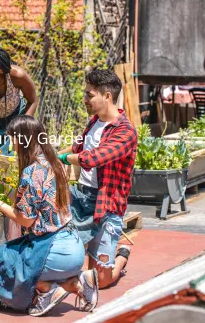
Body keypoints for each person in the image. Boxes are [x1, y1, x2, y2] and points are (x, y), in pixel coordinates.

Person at [0, 115, 99, 317]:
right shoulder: (54, 164)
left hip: (54, 251)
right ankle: (76, 282)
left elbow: (25, 219)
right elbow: (40, 201)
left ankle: (46, 289)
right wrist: (5, 189)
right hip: (74, 246)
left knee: (1, 262)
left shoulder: (31, 172)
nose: (11, 144)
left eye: (13, 138)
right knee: (16, 255)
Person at [57, 69, 137, 290]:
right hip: (82, 198)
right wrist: (51, 157)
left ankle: (122, 255)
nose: (85, 100)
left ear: (107, 96)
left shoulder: (126, 131)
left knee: (100, 281)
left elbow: (95, 158)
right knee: (66, 261)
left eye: (89, 95)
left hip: (107, 206)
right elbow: (78, 147)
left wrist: (64, 159)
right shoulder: (94, 122)